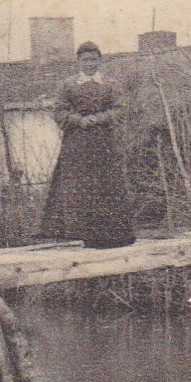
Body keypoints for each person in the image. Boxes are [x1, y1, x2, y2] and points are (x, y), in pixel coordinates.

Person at [39, 41, 137, 250]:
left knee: (107, 186)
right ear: (79, 62)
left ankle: (112, 235)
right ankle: (83, 234)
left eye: (93, 60)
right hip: (77, 145)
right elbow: (59, 111)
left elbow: (119, 109)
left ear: (100, 61)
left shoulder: (110, 84)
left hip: (105, 144)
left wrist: (100, 118)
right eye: (85, 60)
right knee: (80, 189)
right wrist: (79, 121)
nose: (90, 64)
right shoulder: (67, 85)